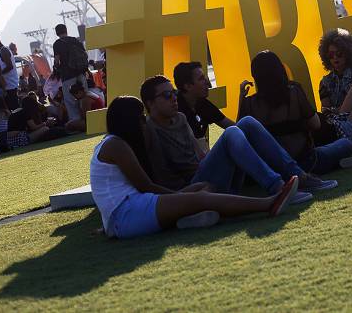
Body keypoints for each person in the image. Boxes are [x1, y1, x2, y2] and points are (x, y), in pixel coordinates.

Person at [90, 96, 299, 239]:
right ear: (129, 121)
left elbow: (111, 192)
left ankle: (189, 218)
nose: (143, 121)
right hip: (128, 213)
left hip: (129, 211)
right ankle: (268, 204)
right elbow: (145, 186)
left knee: (203, 188)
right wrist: (180, 196)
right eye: (140, 118)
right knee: (199, 197)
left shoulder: (114, 143)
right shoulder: (116, 145)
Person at [140, 75, 331, 203]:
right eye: (166, 95)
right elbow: (160, 176)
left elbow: (200, 155)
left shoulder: (180, 118)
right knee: (232, 133)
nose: (174, 98)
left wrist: (222, 158)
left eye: (173, 93)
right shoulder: (149, 130)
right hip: (193, 188)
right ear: (150, 103)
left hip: (207, 176)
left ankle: (300, 176)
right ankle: (278, 188)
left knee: (247, 122)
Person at [174, 61, 233, 151]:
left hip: (204, 157)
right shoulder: (176, 111)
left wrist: (242, 98)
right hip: (192, 161)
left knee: (246, 123)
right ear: (188, 86)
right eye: (201, 79)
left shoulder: (201, 103)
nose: (207, 83)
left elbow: (233, 126)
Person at [53, 23, 90, 123]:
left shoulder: (57, 43)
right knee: (84, 96)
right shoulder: (75, 40)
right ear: (66, 30)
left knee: (70, 100)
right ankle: (89, 118)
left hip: (67, 75)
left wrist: (56, 68)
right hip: (80, 73)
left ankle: (76, 121)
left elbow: (57, 60)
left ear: (57, 33)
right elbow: (85, 55)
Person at [0, 32, 20, 110]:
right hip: (10, 86)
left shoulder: (3, 51)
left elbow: (10, 66)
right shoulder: (3, 50)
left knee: (14, 109)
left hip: (10, 86)